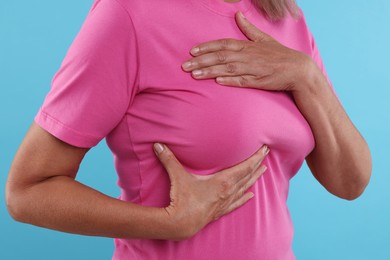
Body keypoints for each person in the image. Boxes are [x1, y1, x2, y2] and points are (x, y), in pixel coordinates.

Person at [6, 0, 372, 259]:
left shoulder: (286, 17)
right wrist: (169, 222)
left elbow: (350, 182)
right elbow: (28, 191)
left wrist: (307, 77)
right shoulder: (129, 13)